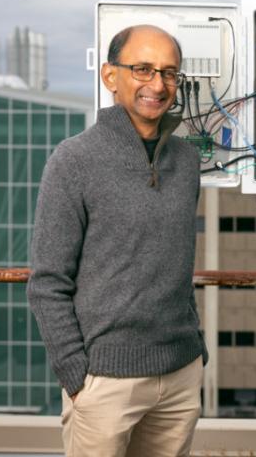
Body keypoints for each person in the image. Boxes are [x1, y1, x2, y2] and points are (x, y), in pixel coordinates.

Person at [27, 25, 207, 457]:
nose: (157, 84)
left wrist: (195, 350)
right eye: (142, 69)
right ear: (110, 76)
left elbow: (176, 265)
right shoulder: (74, 160)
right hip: (104, 381)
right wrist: (76, 375)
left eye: (168, 73)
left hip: (180, 373)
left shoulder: (186, 160)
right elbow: (47, 281)